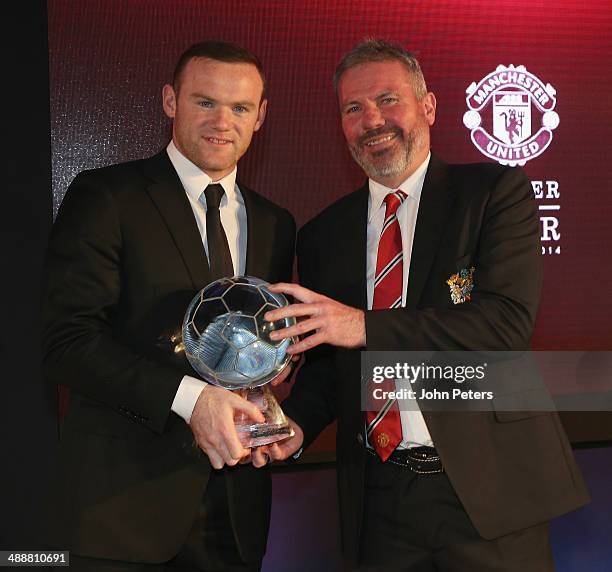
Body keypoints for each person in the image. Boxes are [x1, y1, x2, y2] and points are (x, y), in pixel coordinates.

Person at [258, 39, 590, 571]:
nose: (373, 121)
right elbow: (329, 367)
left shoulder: (492, 194)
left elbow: (504, 327)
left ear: (428, 106)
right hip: (379, 501)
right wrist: (293, 425)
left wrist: (365, 326)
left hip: (489, 496)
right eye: (353, 108)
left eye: (389, 100)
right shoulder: (323, 235)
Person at [42, 40, 295, 571]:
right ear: (169, 102)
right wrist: (192, 400)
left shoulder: (276, 223)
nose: (222, 121)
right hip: (122, 513)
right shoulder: (107, 196)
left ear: (261, 116)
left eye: (241, 107)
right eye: (205, 102)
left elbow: (258, 348)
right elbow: (66, 342)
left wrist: (275, 394)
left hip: (235, 517)